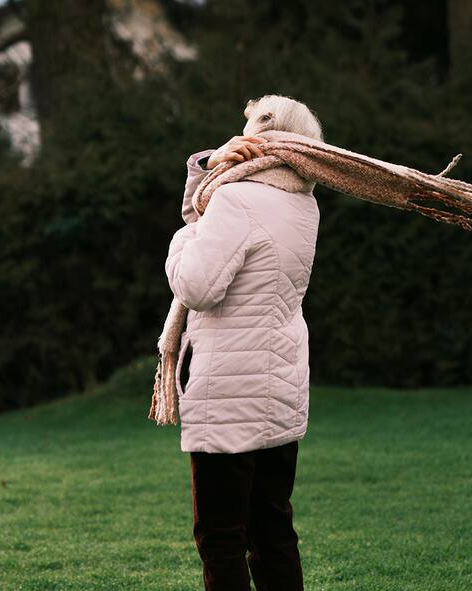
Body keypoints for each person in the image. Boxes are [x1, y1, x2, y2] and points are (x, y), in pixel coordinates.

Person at [165, 94, 323, 591]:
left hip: (228, 392)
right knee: (273, 529)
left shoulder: (237, 200)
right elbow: (211, 221)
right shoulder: (303, 203)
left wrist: (179, 241)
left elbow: (196, 286)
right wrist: (206, 177)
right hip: (281, 384)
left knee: (221, 537)